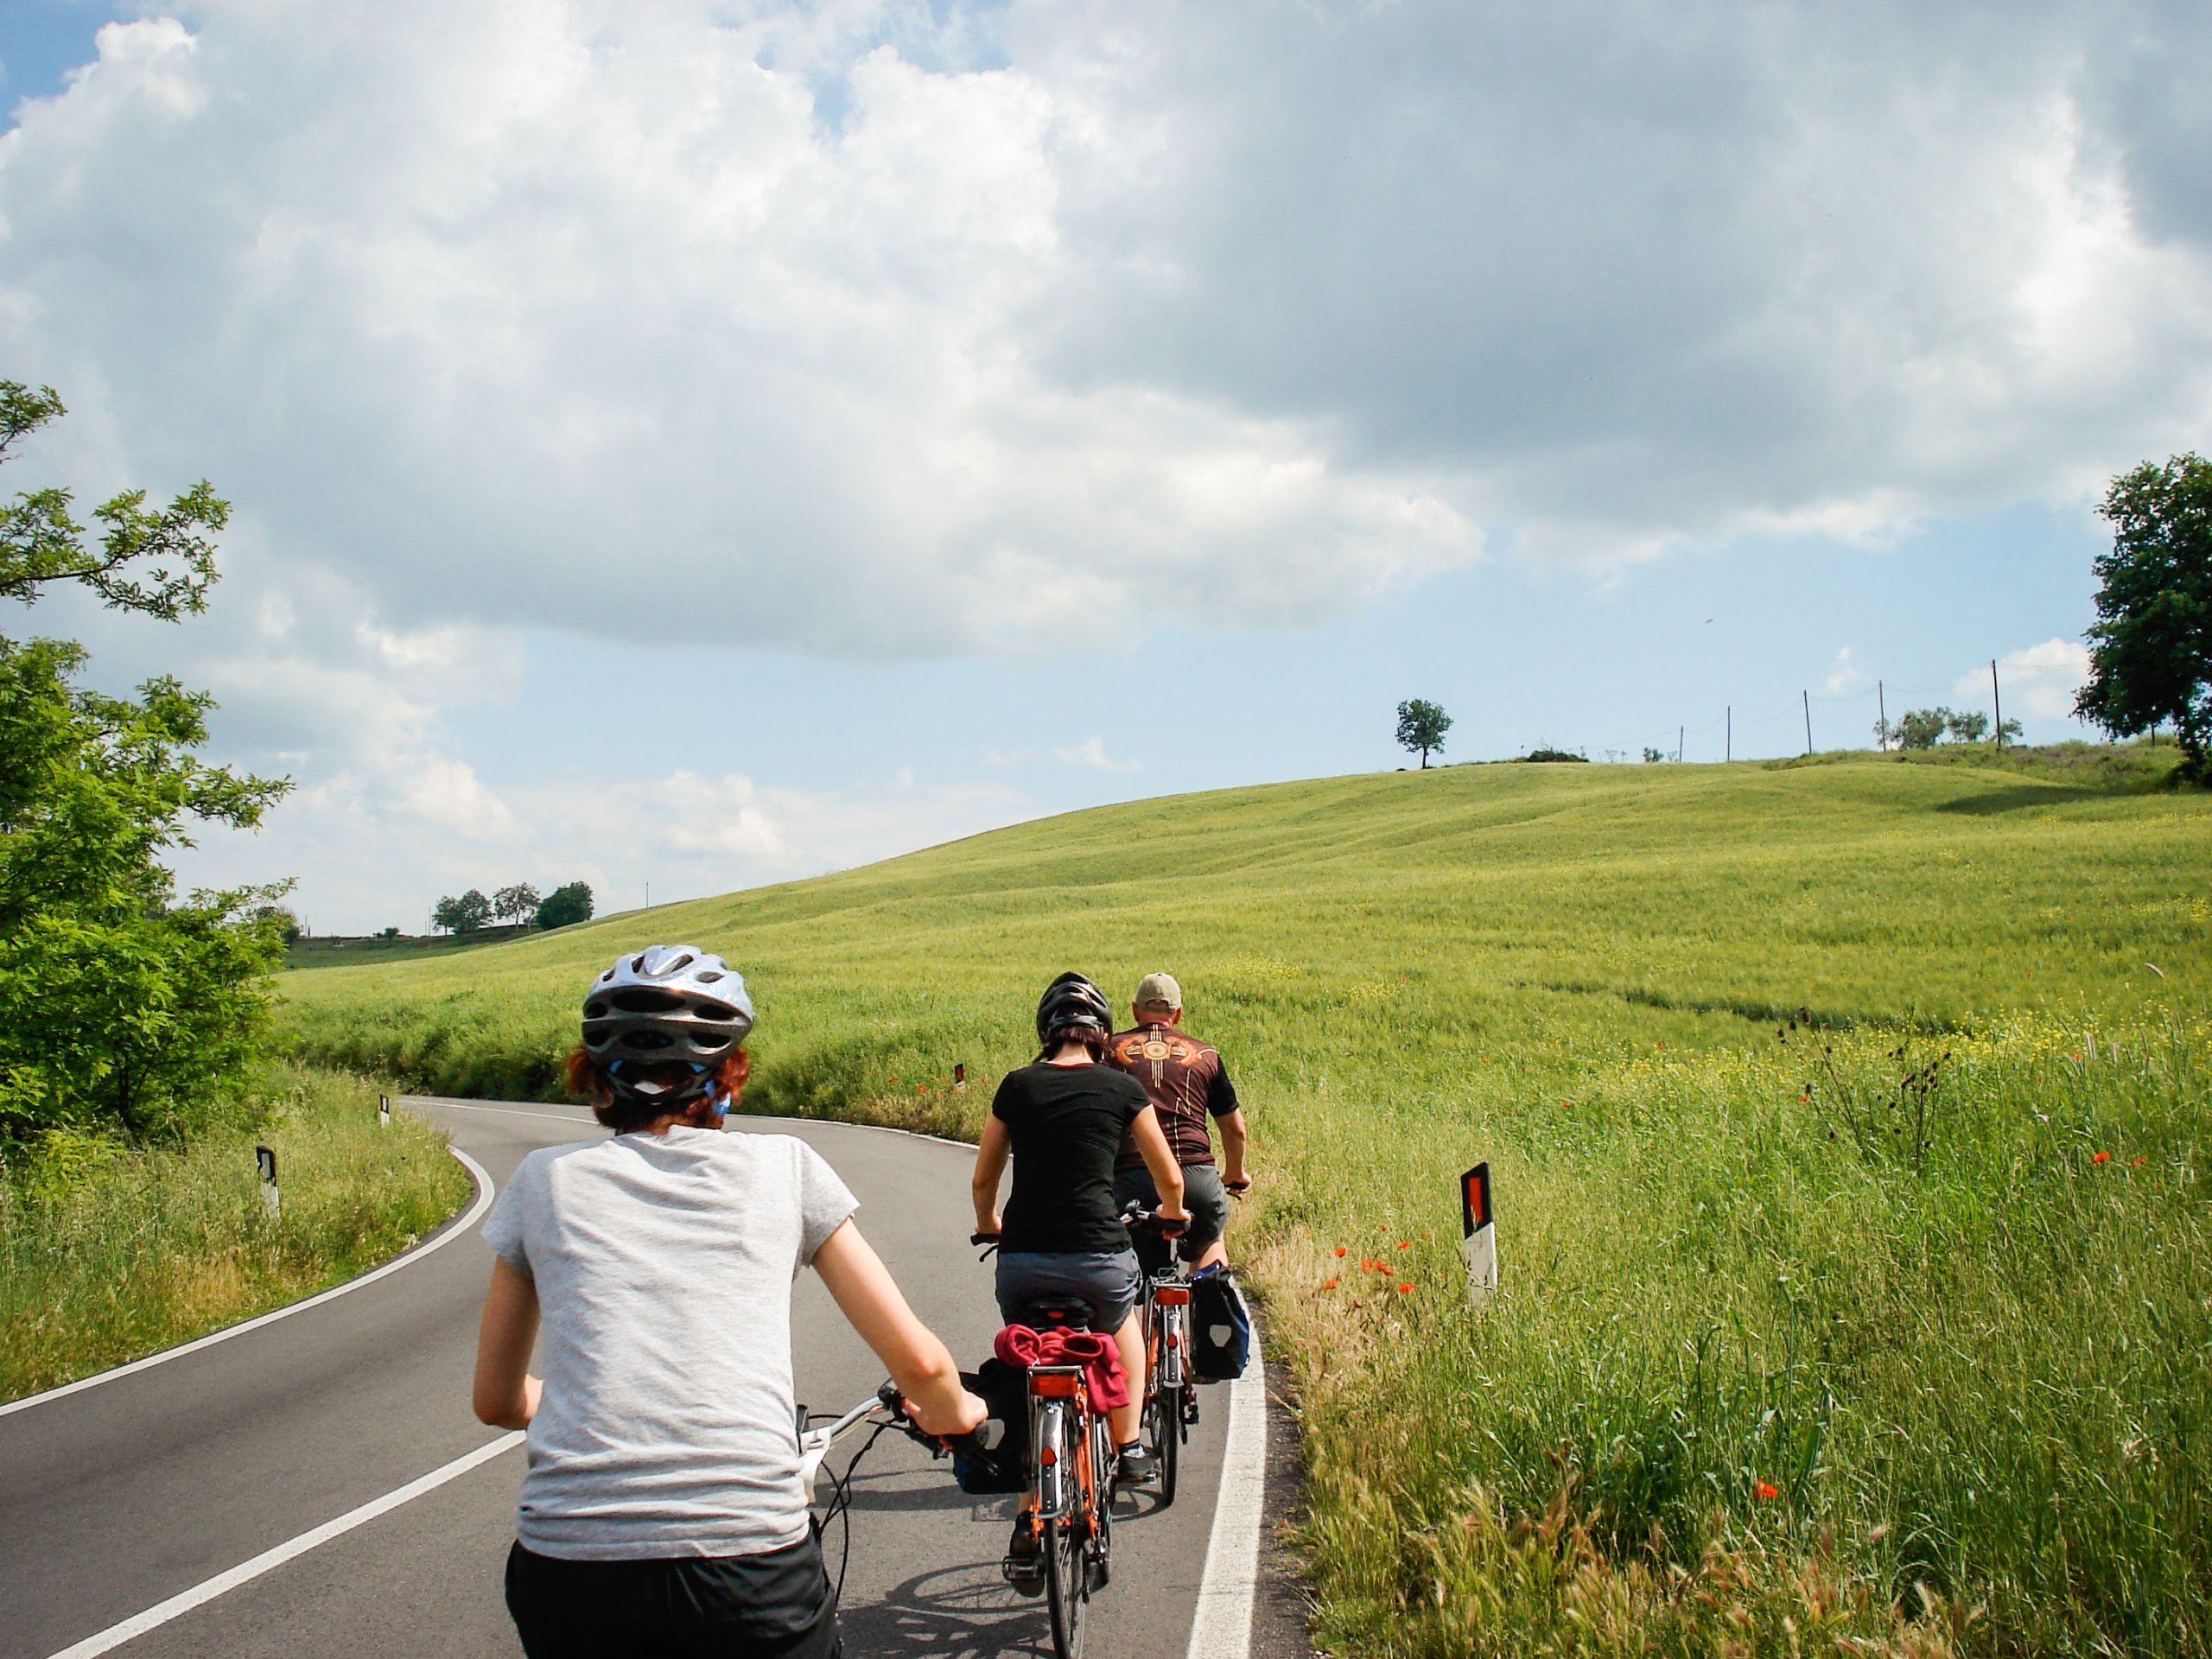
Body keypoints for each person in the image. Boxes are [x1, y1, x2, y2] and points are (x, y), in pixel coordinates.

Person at [473, 944, 986, 1659]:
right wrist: (967, 1419)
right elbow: (923, 1368)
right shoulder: (786, 1169)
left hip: (568, 1572)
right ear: (728, 1077)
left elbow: (496, 1401)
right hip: (745, 1565)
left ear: (595, 1080)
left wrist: (579, 1404)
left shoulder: (541, 1183)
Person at [969, 971, 1189, 1534]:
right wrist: (1173, 1212)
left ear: (1047, 1030)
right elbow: (1169, 1177)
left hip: (1023, 1264)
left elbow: (983, 1180)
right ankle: (1130, 1442)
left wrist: (988, 1224)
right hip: (1099, 1259)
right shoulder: (1122, 1088)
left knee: (1030, 1356)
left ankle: (1027, 1516)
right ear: (1102, 1032)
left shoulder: (1017, 1086)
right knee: (1124, 1323)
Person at [1107, 971, 1249, 1274]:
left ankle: (1145, 1317)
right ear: (1179, 1013)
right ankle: (1212, 1299)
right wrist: (1234, 1173)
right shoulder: (1206, 1055)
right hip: (1195, 1177)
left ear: (1134, 1010)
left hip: (1132, 1177)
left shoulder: (1108, 1052)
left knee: (1139, 1271)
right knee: (1210, 1242)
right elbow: (1234, 1129)